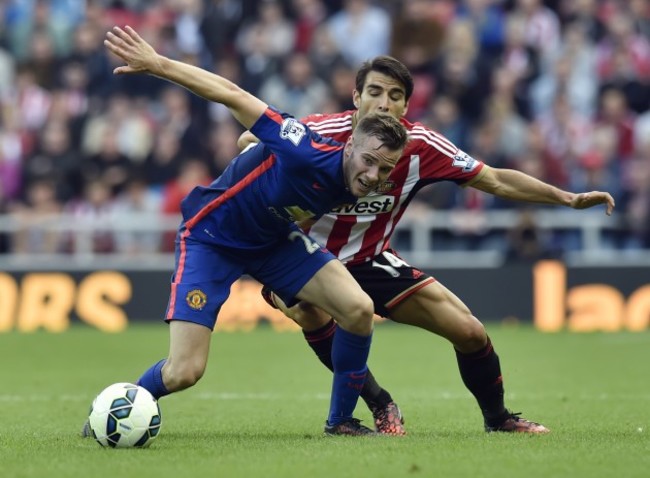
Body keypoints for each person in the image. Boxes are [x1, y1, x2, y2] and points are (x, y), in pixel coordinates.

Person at [241, 56, 616, 435]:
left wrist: (567, 198)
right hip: (301, 260)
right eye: (374, 92)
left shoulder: (420, 145)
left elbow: (496, 180)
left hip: (370, 259)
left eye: (395, 96)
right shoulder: (319, 131)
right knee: (308, 311)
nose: (384, 103)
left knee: (469, 331)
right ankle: (379, 403)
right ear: (356, 96)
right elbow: (250, 137)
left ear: (406, 106)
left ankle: (499, 419)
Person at [88, 26, 409, 437]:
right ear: (349, 147)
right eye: (368, 161)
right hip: (211, 237)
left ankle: (342, 421)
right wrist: (159, 65)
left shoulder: (363, 178)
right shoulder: (304, 149)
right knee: (185, 371)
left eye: (384, 169)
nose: (373, 174)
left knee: (358, 309)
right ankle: (113, 410)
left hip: (273, 241)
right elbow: (232, 95)